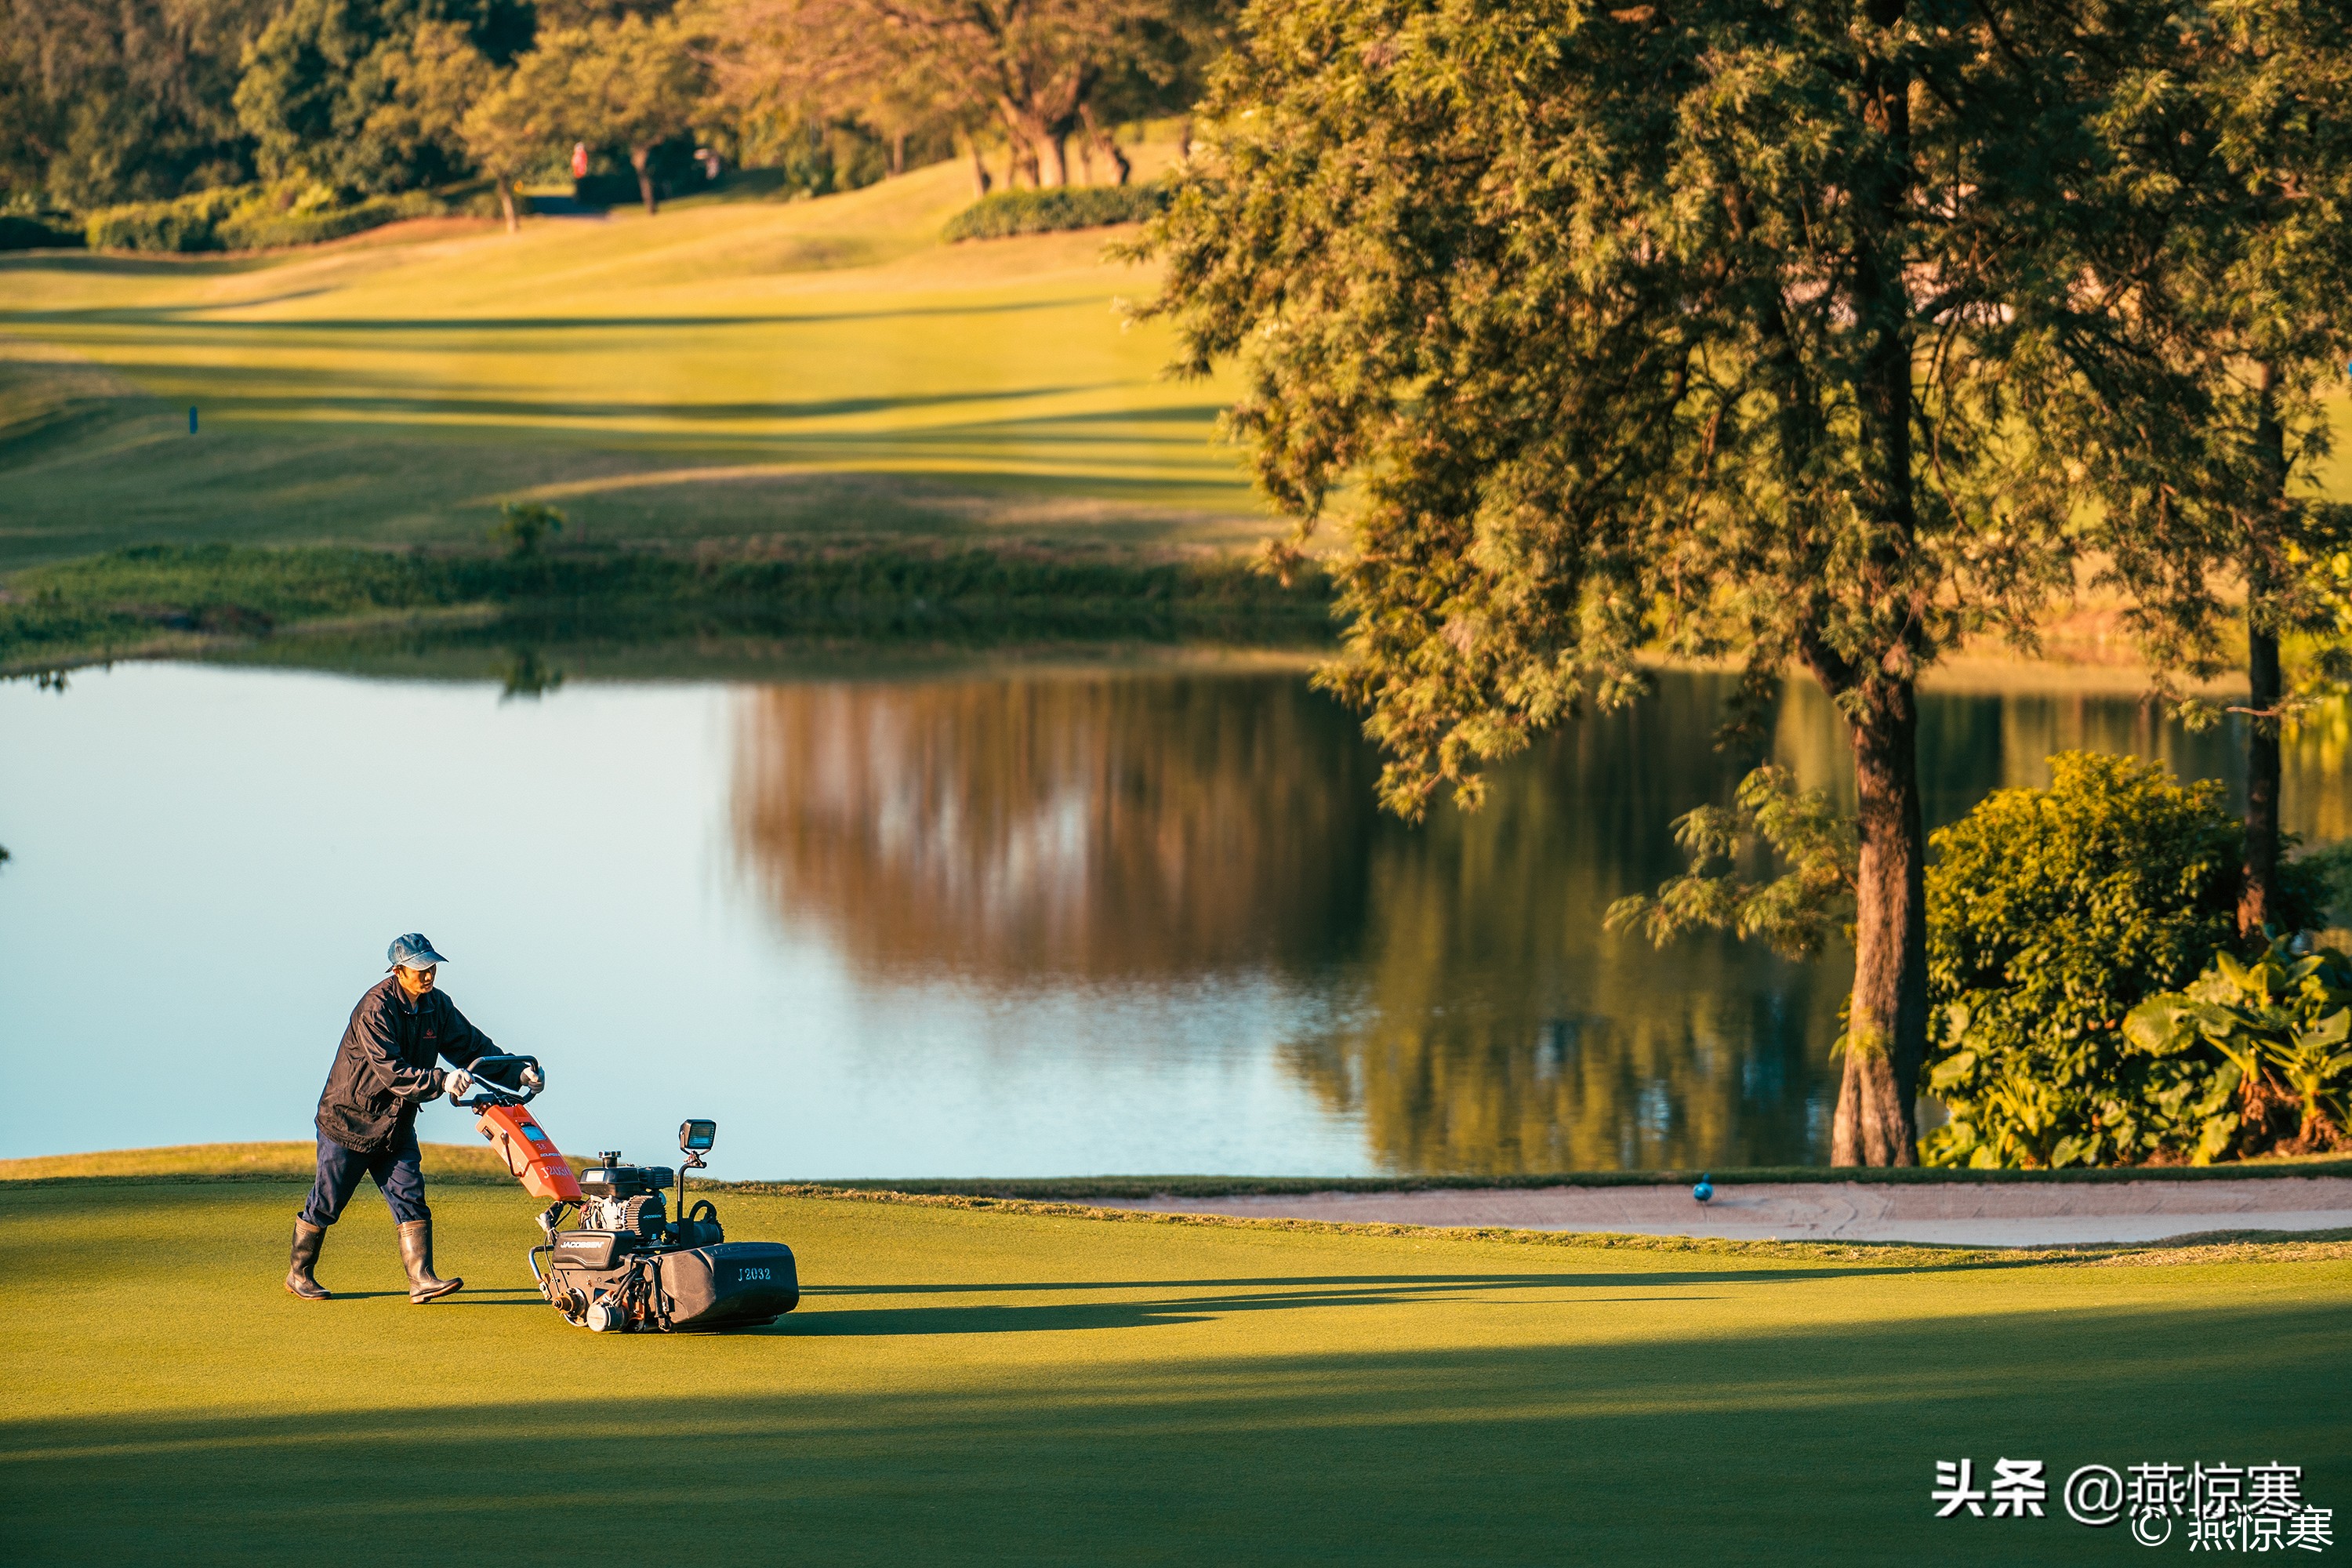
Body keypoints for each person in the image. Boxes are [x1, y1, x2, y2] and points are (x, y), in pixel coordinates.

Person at [285, 934, 542, 1303]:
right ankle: (299, 1274)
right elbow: (392, 1071)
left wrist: (516, 1072)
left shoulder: (436, 1005)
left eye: (432, 967)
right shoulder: (374, 1009)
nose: (428, 975)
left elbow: (472, 1046)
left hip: (396, 1124)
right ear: (398, 970)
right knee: (327, 1203)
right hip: (348, 1122)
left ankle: (422, 1279)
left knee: (411, 1198)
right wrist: (443, 1079)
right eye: (420, 969)